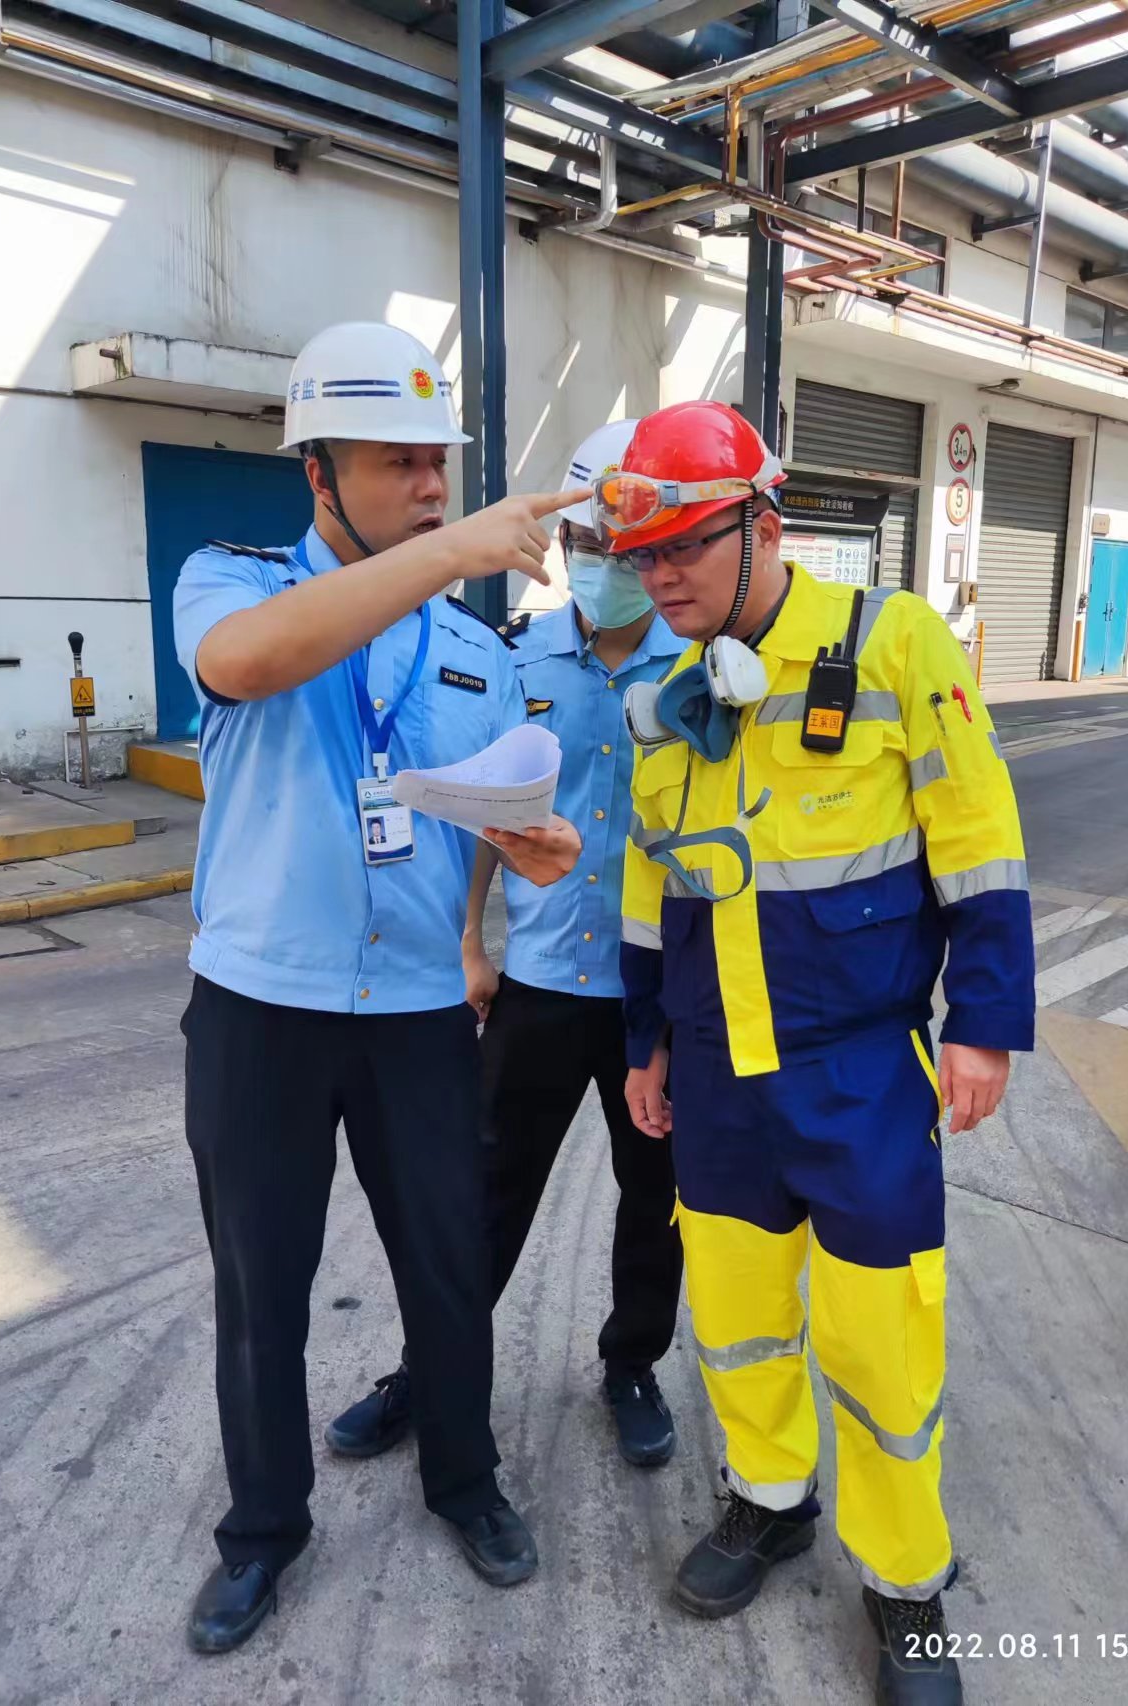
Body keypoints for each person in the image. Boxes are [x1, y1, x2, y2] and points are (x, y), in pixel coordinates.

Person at [173, 320, 588, 1654]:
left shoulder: (472, 649)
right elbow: (246, 666)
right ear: (317, 472)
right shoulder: (228, 585)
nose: (428, 484)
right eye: (397, 462)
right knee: (262, 1282)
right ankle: (262, 1528)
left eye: (437, 463)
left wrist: (529, 852)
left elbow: (494, 802)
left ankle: (465, 1478)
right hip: (261, 1006)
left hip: (416, 1010)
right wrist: (447, 552)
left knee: (449, 1262)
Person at [611, 402, 1034, 1706]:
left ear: (764, 522)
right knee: (738, 1320)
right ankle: (769, 1496)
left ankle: (905, 1583)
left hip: (858, 1075)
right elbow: (650, 886)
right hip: (716, 1077)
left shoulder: (892, 643)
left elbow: (977, 832)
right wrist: (644, 1037)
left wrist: (983, 1020)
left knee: (881, 1339)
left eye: (686, 543)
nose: (661, 576)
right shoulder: (670, 702)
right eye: (645, 556)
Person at [326, 420, 686, 1470]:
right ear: (564, 545)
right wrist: (469, 945)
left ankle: (630, 1363)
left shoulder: (702, 669)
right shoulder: (514, 656)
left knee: (656, 1196)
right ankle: (428, 1367)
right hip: (537, 979)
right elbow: (487, 810)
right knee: (482, 1189)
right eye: (588, 545)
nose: (606, 566)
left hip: (656, 995)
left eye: (625, 549)